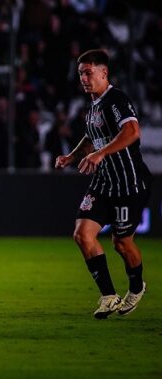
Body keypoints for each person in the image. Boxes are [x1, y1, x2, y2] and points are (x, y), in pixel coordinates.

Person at [54, 49, 150, 318]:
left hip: (129, 185)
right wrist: (72, 156)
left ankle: (136, 286)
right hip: (104, 183)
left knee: (121, 244)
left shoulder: (115, 99)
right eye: (81, 73)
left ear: (104, 72)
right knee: (82, 235)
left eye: (88, 72)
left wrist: (101, 153)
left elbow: (132, 131)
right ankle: (108, 296)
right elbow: (91, 137)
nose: (84, 78)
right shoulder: (94, 105)